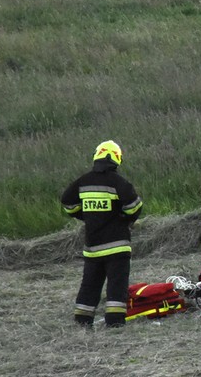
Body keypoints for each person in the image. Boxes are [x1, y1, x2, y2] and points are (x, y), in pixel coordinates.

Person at [61, 140, 143, 329]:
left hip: (93, 248)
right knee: (116, 285)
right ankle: (114, 323)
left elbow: (67, 201)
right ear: (116, 159)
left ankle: (82, 321)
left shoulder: (83, 182)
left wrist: (85, 216)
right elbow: (135, 205)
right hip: (117, 246)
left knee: (89, 284)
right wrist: (123, 217)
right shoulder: (118, 182)